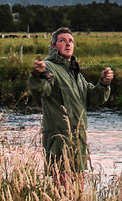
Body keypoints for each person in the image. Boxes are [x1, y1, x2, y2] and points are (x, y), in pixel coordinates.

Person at [28, 27, 113, 181]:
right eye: (62, 41)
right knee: (62, 188)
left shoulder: (74, 72)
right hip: (59, 140)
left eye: (71, 41)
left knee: (78, 189)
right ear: (53, 46)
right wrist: (37, 75)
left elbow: (92, 98)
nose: (68, 44)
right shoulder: (49, 67)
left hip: (78, 140)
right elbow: (42, 90)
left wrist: (103, 83)